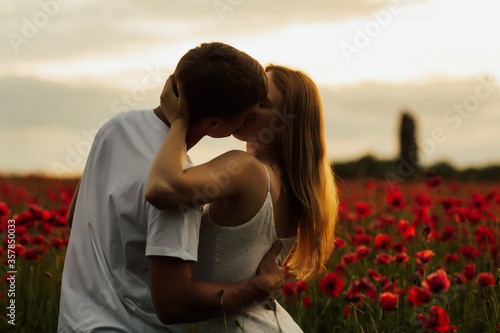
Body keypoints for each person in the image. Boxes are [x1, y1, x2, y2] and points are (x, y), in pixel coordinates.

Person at [57, 42, 285, 333]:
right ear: (214, 124)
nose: (249, 120)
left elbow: (74, 217)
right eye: (246, 115)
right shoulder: (180, 186)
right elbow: (173, 305)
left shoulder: (114, 128)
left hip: (72, 323)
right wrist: (258, 287)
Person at [146, 64, 339, 332]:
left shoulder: (246, 169)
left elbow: (161, 188)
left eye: (263, 103)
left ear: (284, 123)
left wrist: (179, 121)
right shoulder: (296, 191)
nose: (249, 105)